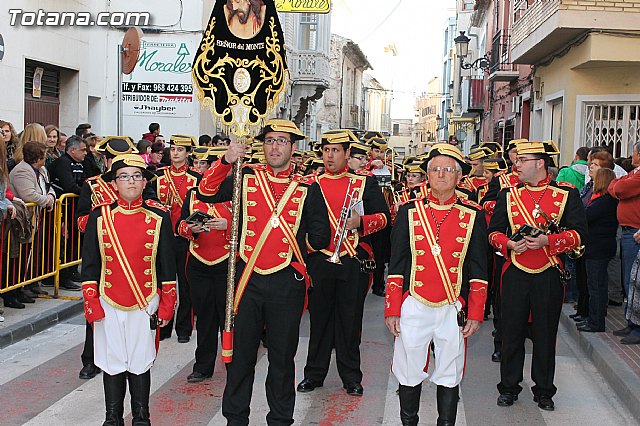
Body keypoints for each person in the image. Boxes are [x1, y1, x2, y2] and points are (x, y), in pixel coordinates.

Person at [197, 119, 329, 426]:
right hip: (247, 279)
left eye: (282, 141)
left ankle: (280, 419)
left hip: (286, 281)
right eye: (270, 141)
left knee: (282, 359)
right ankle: (235, 419)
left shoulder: (308, 187)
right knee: (241, 357)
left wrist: (295, 256)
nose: (275, 147)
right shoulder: (245, 175)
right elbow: (206, 192)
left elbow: (320, 235)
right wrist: (227, 158)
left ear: (293, 148)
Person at [384, 143, 488, 426]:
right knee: (408, 368)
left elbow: (479, 268)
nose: (441, 175)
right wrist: (393, 308)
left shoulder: (473, 215)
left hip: (453, 306)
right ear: (427, 175)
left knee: (449, 371)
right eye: (435, 169)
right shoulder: (408, 212)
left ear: (458, 176)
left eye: (448, 170)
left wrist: (476, 312)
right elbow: (398, 263)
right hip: (415, 303)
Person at [488, 141, 587, 411]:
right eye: (516, 160)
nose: (516, 165)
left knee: (545, 335)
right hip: (515, 272)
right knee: (511, 333)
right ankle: (509, 387)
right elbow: (494, 232)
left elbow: (579, 234)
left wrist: (548, 241)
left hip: (548, 273)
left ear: (540, 163)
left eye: (522, 160)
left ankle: (544, 390)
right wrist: (508, 244)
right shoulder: (508, 195)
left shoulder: (567, 194)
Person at [80, 154, 177, 425]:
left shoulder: (158, 216)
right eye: (124, 176)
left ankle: (141, 416)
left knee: (140, 360)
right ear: (114, 184)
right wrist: (91, 301)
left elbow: (167, 266)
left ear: (145, 181)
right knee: (112, 361)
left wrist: (168, 303)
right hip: (109, 299)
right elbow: (90, 264)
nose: (130, 181)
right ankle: (112, 417)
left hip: (145, 300)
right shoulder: (100, 216)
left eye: (136, 176)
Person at [297, 131, 390, 397]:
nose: (330, 155)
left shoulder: (364, 184)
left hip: (352, 260)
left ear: (347, 154)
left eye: (336, 150)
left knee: (350, 321)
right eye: (326, 150)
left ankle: (351, 377)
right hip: (321, 260)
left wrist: (361, 223)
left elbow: (384, 218)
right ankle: (314, 374)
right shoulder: (311, 184)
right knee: (319, 320)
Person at [177, 148, 231, 383]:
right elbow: (179, 225)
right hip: (199, 262)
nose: (210, 170)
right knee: (205, 317)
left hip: (228, 264)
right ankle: (203, 365)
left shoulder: (237, 193)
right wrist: (190, 229)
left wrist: (227, 225)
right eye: (208, 165)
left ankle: (232, 363)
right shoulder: (193, 194)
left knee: (228, 318)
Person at [155, 135, 201, 342]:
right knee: (164, 282)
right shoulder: (158, 176)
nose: (175, 153)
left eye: (180, 150)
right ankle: (163, 327)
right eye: (173, 149)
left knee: (186, 285)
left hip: (184, 237)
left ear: (188, 153)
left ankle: (184, 329)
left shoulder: (195, 178)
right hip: (163, 237)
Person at [9, 140, 56, 297]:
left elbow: (48, 186)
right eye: (44, 155)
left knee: (32, 254)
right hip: (22, 221)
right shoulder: (22, 171)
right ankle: (17, 289)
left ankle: (29, 283)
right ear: (37, 158)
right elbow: (28, 194)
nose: (46, 158)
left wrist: (51, 196)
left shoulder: (41, 169)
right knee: (20, 256)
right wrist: (46, 200)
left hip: (35, 218)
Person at [578, 168, 618, 333]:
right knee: (596, 285)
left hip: (598, 248)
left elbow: (586, 217)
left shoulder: (604, 201)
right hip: (601, 246)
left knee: (596, 286)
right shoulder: (606, 200)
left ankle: (596, 322)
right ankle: (593, 319)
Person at [609, 141, 640, 344]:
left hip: (635, 232)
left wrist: (616, 185)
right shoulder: (634, 172)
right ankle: (631, 322)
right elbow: (615, 186)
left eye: (634, 152)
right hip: (629, 231)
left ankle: (637, 327)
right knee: (629, 280)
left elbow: (619, 188)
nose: (630, 156)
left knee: (636, 282)